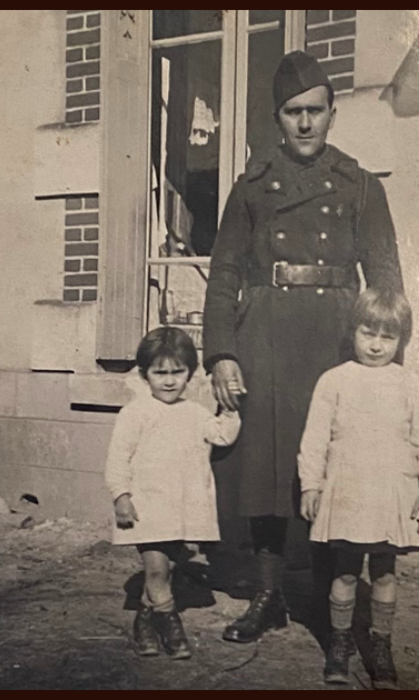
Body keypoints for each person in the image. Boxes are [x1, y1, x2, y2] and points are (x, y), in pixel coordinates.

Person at [202, 50, 405, 645]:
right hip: (263, 333)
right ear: (277, 118)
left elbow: (388, 282)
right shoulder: (252, 186)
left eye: (316, 111)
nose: (306, 123)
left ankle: (326, 598)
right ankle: (268, 597)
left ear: (333, 113)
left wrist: (390, 366)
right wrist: (222, 353)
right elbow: (224, 274)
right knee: (267, 467)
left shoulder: (360, 185)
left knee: (336, 466)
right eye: (293, 113)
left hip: (337, 340)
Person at [298, 289, 419, 689]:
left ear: (402, 341)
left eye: (388, 337)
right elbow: (315, 439)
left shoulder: (409, 384)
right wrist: (311, 486)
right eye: (368, 333)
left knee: (385, 571)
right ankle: (340, 641)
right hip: (347, 488)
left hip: (390, 490)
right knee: (346, 570)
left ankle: (380, 645)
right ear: (353, 331)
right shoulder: (334, 381)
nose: (376, 344)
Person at [104, 327, 241, 659]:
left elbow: (222, 436)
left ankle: (145, 623)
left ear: (190, 374)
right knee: (154, 570)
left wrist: (232, 408)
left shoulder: (195, 413)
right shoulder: (134, 413)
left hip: (179, 508)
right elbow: (117, 458)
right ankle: (171, 626)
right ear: (144, 374)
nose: (168, 381)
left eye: (177, 372)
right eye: (159, 372)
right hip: (146, 506)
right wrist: (121, 495)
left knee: (166, 569)